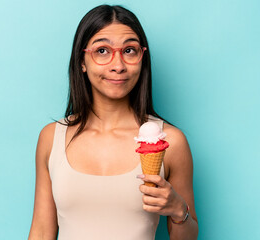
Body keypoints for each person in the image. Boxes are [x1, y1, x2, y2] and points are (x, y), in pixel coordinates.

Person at [28, 4, 198, 240]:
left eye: (129, 50)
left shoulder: (171, 142)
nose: (118, 65)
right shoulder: (51, 137)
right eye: (102, 51)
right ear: (82, 61)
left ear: (142, 58)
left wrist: (179, 209)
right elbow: (41, 231)